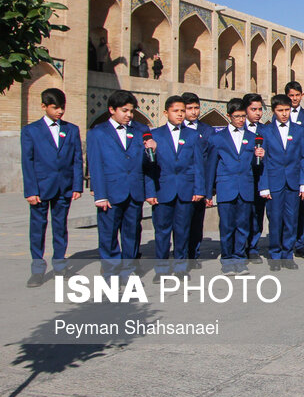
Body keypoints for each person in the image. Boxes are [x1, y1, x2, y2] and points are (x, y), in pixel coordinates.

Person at [87, 90, 155, 274]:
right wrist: (100, 195)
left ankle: (129, 269)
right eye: (125, 111)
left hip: (134, 191)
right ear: (112, 109)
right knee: (108, 233)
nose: (129, 115)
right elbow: (95, 166)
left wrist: (152, 151)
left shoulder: (141, 130)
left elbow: (148, 165)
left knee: (132, 233)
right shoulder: (98, 133)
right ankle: (110, 270)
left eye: (131, 111)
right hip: (110, 192)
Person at [20, 88, 83, 287]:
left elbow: (76, 159)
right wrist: (31, 190)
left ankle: (60, 265)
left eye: (62, 107)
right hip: (40, 188)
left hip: (63, 187)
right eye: (55, 107)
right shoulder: (30, 131)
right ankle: (37, 270)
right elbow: (27, 162)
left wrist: (77, 185)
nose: (60, 112)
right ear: (44, 107)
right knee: (37, 229)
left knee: (60, 228)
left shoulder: (71, 129)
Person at [143, 96, 206, 280]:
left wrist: (199, 189)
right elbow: (149, 168)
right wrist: (150, 192)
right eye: (175, 111)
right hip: (163, 190)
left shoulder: (192, 135)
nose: (180, 114)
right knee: (162, 231)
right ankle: (161, 269)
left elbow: (198, 165)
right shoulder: (155, 135)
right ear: (166, 113)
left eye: (182, 111)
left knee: (182, 230)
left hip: (186, 191)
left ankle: (180, 267)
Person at [206, 98, 265, 275]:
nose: (240, 120)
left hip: (245, 187)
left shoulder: (252, 137)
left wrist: (259, 157)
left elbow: (256, 166)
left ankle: (240, 259)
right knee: (227, 226)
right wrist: (208, 193)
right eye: (236, 116)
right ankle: (227, 259)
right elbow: (211, 166)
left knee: (243, 225)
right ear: (228, 116)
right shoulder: (218, 138)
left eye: (242, 116)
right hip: (226, 187)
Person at [258, 94, 304, 270]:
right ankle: (275, 254)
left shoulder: (298, 130)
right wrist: (264, 186)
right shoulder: (265, 131)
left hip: (293, 182)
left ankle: (287, 254)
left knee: (291, 220)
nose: (284, 114)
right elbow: (263, 161)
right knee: (275, 220)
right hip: (274, 183)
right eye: (280, 110)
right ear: (274, 111)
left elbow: (303, 158)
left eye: (287, 110)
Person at [181, 92, 214, 266]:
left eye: (196, 108)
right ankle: (181, 253)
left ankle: (193, 254)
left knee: (196, 222)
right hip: (181, 183)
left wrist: (209, 190)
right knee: (180, 223)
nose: (194, 112)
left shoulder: (206, 130)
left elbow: (209, 160)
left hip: (199, 183)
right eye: (189, 108)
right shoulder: (176, 129)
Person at [285, 81, 304, 260]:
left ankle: (300, 243)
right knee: (285, 209)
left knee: (303, 208)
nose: (295, 99)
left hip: (303, 169)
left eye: (297, 95)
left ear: (302, 95)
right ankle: (285, 243)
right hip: (284, 171)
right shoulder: (280, 115)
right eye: (291, 96)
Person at [242, 93, 267, 263]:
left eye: (259, 109)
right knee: (241, 215)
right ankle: (238, 247)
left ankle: (253, 247)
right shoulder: (237, 130)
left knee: (257, 214)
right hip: (241, 180)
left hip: (259, 179)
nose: (257, 113)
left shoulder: (265, 131)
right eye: (253, 109)